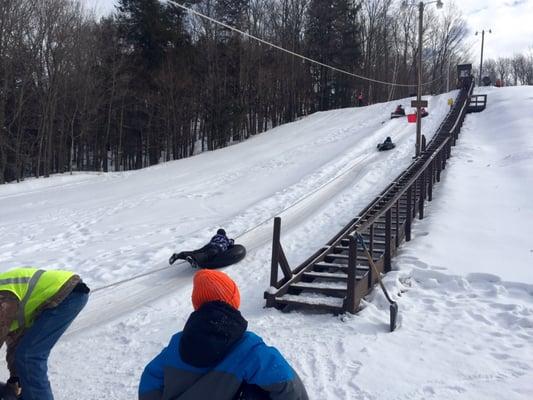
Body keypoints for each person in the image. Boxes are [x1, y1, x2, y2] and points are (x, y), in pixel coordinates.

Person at [139, 269, 309, 400]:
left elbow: (149, 379)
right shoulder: (248, 347)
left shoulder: (178, 342)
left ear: (197, 304)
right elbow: (288, 384)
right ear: (233, 302)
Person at [0, 267, 89, 400]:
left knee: (29, 356)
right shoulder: (11, 310)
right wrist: (15, 378)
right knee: (24, 354)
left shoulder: (3, 297)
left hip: (66, 294)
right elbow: (16, 343)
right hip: (64, 294)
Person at [169, 228, 235, 267]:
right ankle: (194, 259)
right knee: (208, 254)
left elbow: (212, 241)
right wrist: (231, 240)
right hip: (217, 247)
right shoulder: (225, 238)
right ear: (224, 234)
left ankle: (178, 255)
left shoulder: (215, 236)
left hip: (209, 245)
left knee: (197, 251)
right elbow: (231, 242)